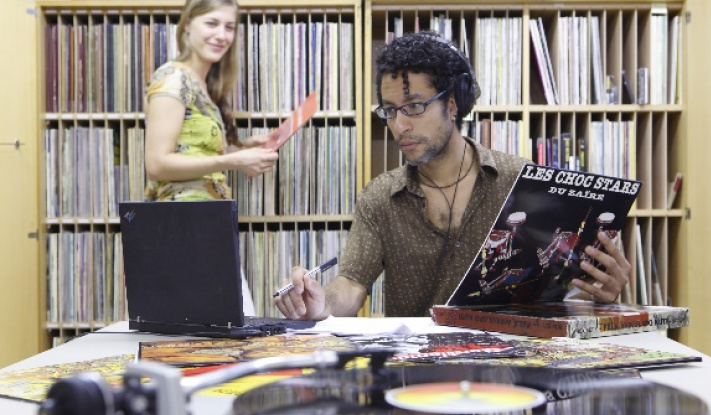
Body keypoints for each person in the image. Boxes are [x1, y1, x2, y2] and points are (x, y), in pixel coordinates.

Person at [275, 31, 631, 320]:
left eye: (414, 106)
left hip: (511, 376)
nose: (399, 125)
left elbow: (559, 294)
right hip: (417, 383)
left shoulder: (522, 181)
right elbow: (352, 282)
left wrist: (604, 293)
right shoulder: (381, 197)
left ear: (452, 104)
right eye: (390, 111)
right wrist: (322, 305)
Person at [144, 0, 279, 314]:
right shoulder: (173, 79)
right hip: (183, 227)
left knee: (227, 331)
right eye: (212, 23)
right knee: (216, 335)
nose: (222, 35)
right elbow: (157, 164)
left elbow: (191, 152)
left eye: (229, 27)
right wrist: (229, 162)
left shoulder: (203, 84)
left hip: (208, 223)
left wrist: (242, 148)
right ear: (188, 24)